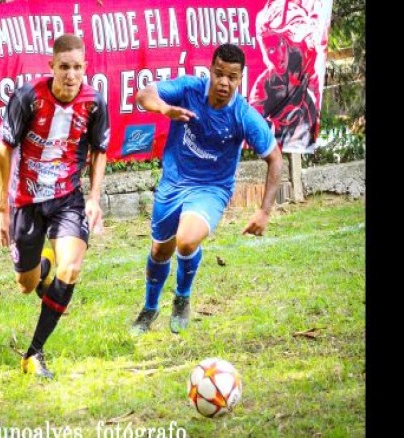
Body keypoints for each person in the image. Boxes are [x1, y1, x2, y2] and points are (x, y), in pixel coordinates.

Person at [129, 43, 283, 336]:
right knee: (160, 249)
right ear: (210, 70)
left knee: (186, 240)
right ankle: (150, 308)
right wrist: (164, 109)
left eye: (232, 77)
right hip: (173, 182)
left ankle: (182, 297)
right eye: (219, 73)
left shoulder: (243, 115)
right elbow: (143, 95)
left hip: (211, 189)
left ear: (240, 79)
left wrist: (264, 211)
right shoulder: (188, 89)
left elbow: (275, 158)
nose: (224, 82)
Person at [0, 33, 110, 379]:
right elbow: (3, 151)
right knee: (26, 286)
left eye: (77, 68)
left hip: (67, 200)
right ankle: (41, 268)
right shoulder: (27, 98)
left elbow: (100, 151)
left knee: (71, 269)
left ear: (85, 67)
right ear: (51, 67)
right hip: (26, 202)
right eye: (64, 68)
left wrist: (93, 196)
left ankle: (34, 353)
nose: (71, 75)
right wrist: (1, 209)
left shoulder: (94, 103)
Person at [249, 0, 328, 152]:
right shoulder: (265, 84)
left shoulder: (308, 66)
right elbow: (251, 122)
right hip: (278, 143)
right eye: (268, 50)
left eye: (275, 48)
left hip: (304, 137)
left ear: (286, 42)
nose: (272, 56)